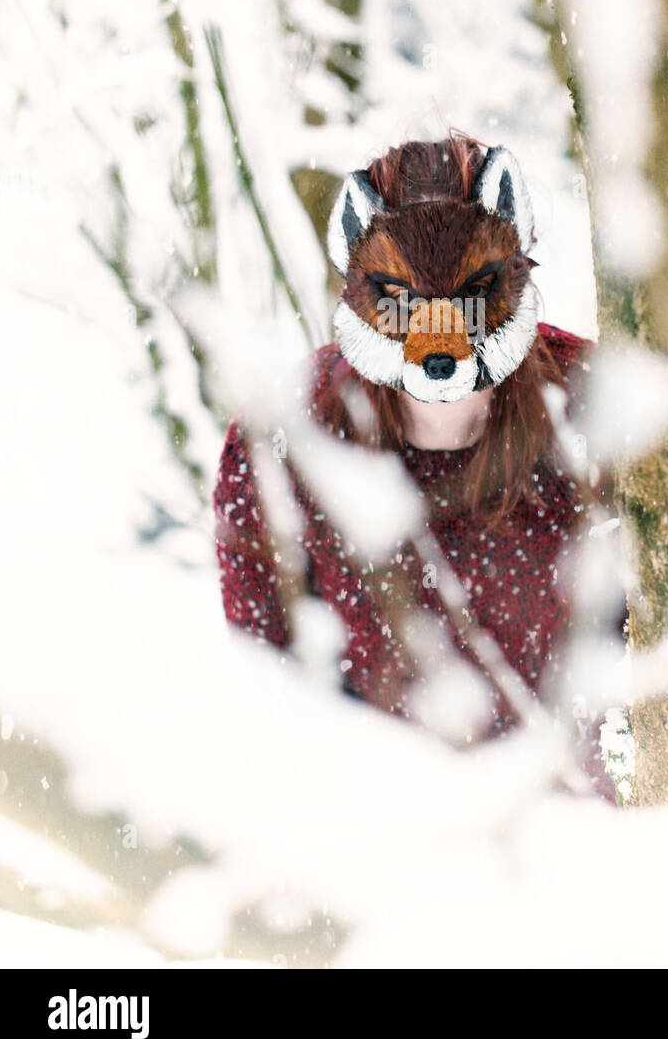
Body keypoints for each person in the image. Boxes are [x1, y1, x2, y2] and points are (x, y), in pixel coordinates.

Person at [213, 132, 618, 799]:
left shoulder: (592, 402)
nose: (441, 348)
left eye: (470, 301)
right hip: (381, 840)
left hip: (579, 833)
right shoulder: (286, 436)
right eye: (402, 306)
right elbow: (267, 687)